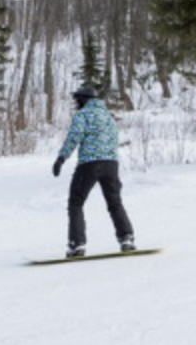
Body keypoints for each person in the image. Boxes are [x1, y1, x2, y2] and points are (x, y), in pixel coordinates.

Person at [53, 85, 135, 257]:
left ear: (83, 100)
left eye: (77, 100)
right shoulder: (108, 117)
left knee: (76, 203)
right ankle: (126, 237)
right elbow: (113, 140)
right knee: (115, 203)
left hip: (89, 164)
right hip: (111, 164)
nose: (76, 103)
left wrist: (61, 158)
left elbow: (74, 137)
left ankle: (77, 244)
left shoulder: (83, 115)